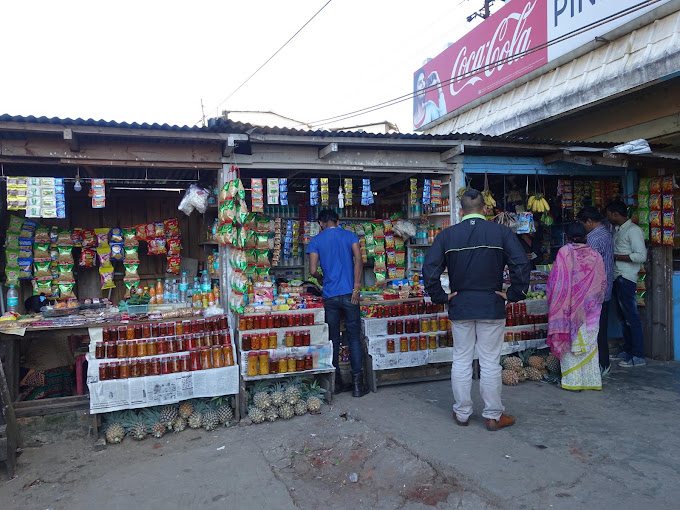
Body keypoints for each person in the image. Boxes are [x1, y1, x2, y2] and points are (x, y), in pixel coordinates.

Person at [423, 189, 530, 431]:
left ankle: (462, 413)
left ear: (460, 212)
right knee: (490, 362)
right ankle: (493, 416)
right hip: (491, 306)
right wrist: (514, 294)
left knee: (461, 359)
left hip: (460, 306)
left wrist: (441, 297)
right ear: (485, 210)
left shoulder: (447, 236)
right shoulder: (501, 232)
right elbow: (521, 265)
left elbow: (429, 270)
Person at [307, 209, 369, 397]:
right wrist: (356, 288)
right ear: (338, 221)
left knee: (333, 338)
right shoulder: (350, 236)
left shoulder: (316, 241)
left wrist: (320, 278)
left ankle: (337, 382)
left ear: (320, 223)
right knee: (354, 338)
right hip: (351, 294)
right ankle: (358, 385)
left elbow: (312, 270)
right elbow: (359, 260)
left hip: (330, 296)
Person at [547, 223, 607, 391]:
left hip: (568, 309)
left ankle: (572, 382)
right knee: (590, 344)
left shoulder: (564, 253)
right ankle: (591, 381)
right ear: (586, 236)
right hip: (591, 310)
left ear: (567, 237)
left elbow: (556, 282)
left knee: (570, 343)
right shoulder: (596, 255)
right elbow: (602, 283)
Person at [605, 200, 648, 367]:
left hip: (626, 277)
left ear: (615, 214)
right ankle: (628, 350)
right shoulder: (618, 230)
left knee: (632, 318)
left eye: (609, 214)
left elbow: (640, 256)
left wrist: (616, 257)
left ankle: (638, 355)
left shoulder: (633, 231)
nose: (607, 217)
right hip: (618, 277)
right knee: (623, 317)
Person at [577, 206, 615, 374]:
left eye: (583, 224)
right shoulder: (607, 234)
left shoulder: (593, 239)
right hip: (605, 289)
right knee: (601, 329)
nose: (583, 227)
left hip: (595, 291)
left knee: (594, 330)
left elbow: (589, 268)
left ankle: (600, 365)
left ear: (589, 221)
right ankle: (603, 363)